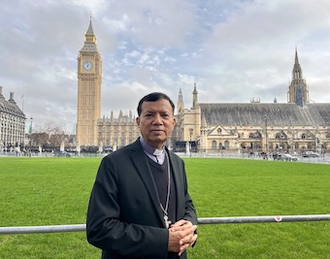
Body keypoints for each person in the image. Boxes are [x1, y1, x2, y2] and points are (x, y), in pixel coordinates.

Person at [86, 92, 198, 259]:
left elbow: (187, 204)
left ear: (174, 122)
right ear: (138, 121)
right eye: (149, 115)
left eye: (164, 115)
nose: (158, 121)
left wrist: (190, 224)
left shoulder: (177, 163)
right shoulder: (114, 164)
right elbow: (100, 228)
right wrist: (163, 241)